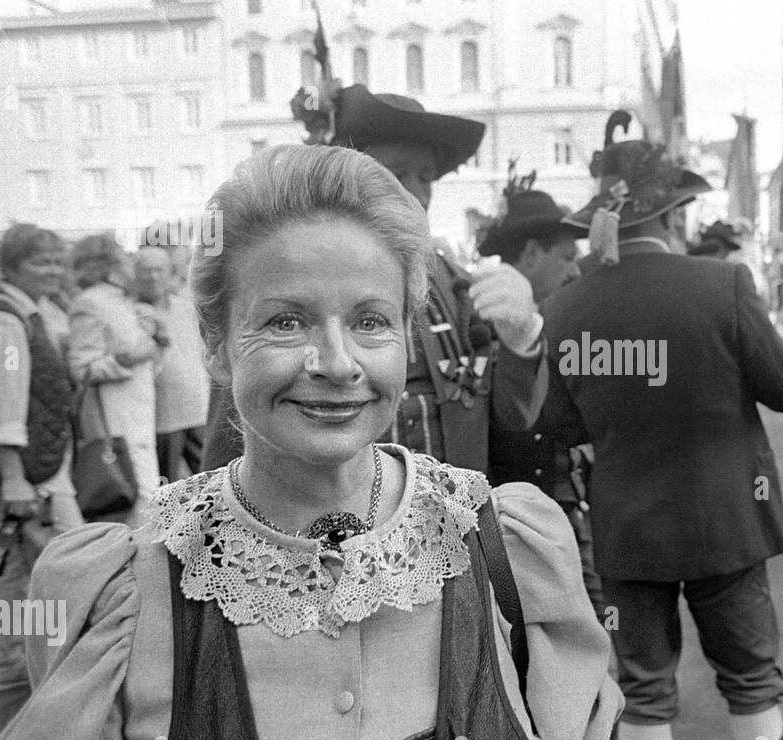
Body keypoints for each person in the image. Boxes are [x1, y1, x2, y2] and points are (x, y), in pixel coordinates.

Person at [0, 144, 621, 740]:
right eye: (285, 322)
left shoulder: (502, 548)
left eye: (371, 321)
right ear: (217, 348)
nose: (337, 364)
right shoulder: (135, 586)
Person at [542, 113, 783, 740]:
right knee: (751, 681)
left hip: (628, 528)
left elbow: (560, 425)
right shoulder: (723, 285)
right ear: (675, 212)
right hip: (728, 520)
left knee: (643, 691)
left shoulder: (566, 307)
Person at [201, 85, 545, 474]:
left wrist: (522, 341)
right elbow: (229, 446)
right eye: (397, 174)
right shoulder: (279, 279)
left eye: (426, 176)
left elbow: (509, 425)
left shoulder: (459, 286)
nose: (417, 194)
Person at [0, 224, 82, 694]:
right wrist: (14, 479)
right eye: (40, 262)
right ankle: (70, 673)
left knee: (10, 571)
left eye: (57, 261)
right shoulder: (3, 321)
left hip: (37, 468)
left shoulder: (29, 314)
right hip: (32, 476)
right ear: (10, 266)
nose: (53, 271)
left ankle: (2, 664)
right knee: (75, 567)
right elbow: (0, 403)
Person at [477, 169, 600, 611]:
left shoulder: (554, 314)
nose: (573, 271)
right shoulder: (480, 318)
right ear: (531, 253)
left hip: (560, 506)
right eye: (566, 257)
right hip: (511, 525)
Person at [68, 234, 163, 525]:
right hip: (114, 423)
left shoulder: (125, 302)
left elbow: (146, 364)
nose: (131, 262)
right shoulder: (90, 303)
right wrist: (123, 361)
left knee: (147, 499)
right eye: (124, 256)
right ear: (108, 265)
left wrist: (157, 341)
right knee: (137, 501)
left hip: (139, 417)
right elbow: (81, 368)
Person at [134, 239, 208, 483]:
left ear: (170, 274)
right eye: (146, 270)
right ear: (135, 274)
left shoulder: (187, 308)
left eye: (159, 270)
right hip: (162, 416)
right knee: (168, 485)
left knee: (210, 479)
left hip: (198, 408)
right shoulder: (133, 312)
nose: (153, 277)